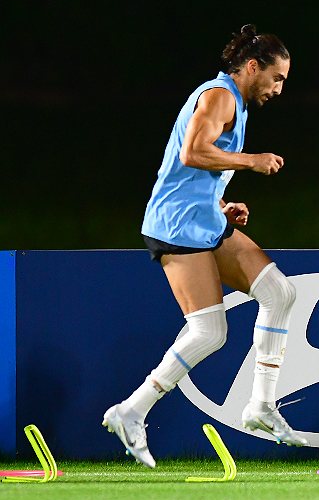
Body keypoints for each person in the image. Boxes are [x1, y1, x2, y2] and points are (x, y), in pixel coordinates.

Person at [102, 24, 306, 469]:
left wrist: (221, 204)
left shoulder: (235, 103)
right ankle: (131, 411)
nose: (278, 89)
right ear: (251, 67)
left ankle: (261, 407)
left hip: (205, 219)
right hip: (177, 226)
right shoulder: (219, 96)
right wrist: (251, 161)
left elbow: (197, 171)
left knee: (280, 293)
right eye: (276, 78)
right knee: (209, 332)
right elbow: (192, 152)